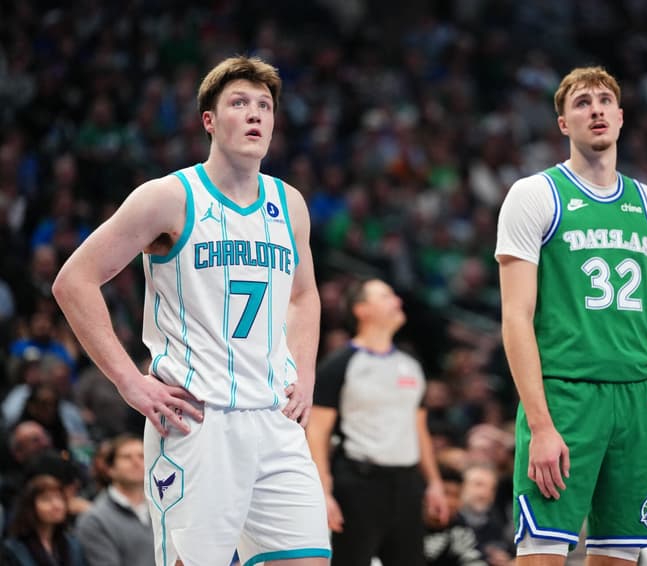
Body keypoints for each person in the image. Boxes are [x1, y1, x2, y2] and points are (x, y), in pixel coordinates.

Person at [52, 55, 330, 566]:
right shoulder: (167, 198)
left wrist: (305, 370)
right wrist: (129, 382)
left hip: (275, 422)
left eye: (264, 106)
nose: (255, 115)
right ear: (209, 120)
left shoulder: (289, 204)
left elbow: (303, 295)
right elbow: (74, 281)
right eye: (239, 103)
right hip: (198, 424)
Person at [495, 65, 647, 565]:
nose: (596, 109)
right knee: (540, 553)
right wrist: (540, 424)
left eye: (605, 101)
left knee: (621, 555)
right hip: (567, 395)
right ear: (563, 123)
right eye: (582, 103)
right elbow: (516, 318)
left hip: (637, 402)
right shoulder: (534, 194)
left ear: (621, 117)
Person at [306, 278, 449, 566]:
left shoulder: (411, 363)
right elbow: (317, 432)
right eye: (385, 296)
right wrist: (323, 492)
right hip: (358, 484)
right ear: (361, 310)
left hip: (407, 485)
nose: (396, 301)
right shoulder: (339, 364)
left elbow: (418, 429)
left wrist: (434, 483)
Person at [75, 434, 154, 566]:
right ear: (110, 469)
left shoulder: (162, 508)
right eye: (127, 457)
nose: (137, 462)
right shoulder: (95, 519)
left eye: (142, 456)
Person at [2, 474, 86, 566]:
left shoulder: (73, 545)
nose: (56, 505)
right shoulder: (14, 549)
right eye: (46, 499)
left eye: (60, 498)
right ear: (31, 507)